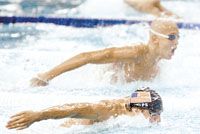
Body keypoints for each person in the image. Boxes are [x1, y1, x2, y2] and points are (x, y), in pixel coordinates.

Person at [30, 19, 179, 87]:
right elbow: (86, 57)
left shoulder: (158, 63)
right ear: (154, 39)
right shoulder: (135, 53)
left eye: (178, 37)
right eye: (172, 37)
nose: (176, 42)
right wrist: (46, 76)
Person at [6, 87, 163, 130]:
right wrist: (38, 115)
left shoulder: (132, 106)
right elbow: (75, 109)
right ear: (137, 110)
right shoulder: (107, 110)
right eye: (154, 114)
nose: (157, 120)